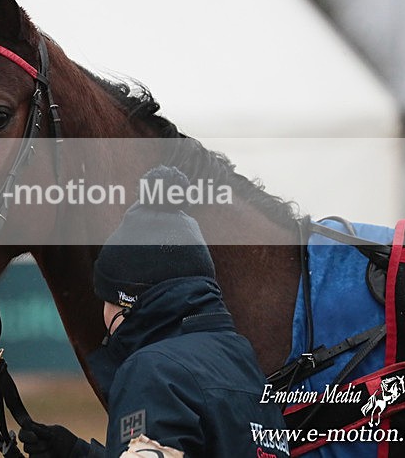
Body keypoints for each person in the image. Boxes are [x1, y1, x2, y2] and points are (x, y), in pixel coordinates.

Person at [19, 166, 290, 457]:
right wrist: (76, 454)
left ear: (128, 302)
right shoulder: (241, 361)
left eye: (106, 298)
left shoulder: (153, 373)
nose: (104, 313)